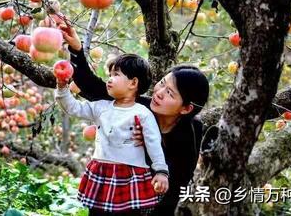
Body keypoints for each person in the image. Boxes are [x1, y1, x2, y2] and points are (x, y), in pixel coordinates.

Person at [52, 14, 210, 215]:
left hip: (147, 202)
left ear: (186, 108)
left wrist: (149, 142)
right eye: (161, 83)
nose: (159, 93)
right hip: (112, 191)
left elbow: (178, 181)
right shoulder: (137, 106)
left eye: (169, 93)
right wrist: (76, 49)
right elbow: (93, 87)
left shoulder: (191, 131)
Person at [55, 53, 169, 215]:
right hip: (102, 173)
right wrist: (62, 87)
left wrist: (161, 171)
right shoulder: (101, 107)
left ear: (133, 83)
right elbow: (73, 108)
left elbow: (153, 143)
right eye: (109, 75)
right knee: (96, 212)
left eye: (116, 75)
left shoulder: (142, 113)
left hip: (129, 176)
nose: (109, 79)